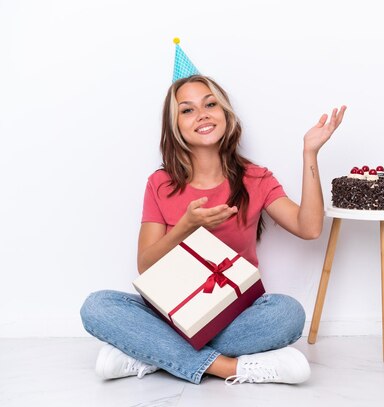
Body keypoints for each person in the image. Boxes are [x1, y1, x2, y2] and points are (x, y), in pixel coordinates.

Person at [79, 73, 347, 385]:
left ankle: (148, 354)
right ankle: (230, 368)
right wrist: (186, 226)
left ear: (225, 114)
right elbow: (145, 265)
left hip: (234, 315)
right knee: (98, 306)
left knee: (287, 314)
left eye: (210, 104)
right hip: (172, 314)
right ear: (175, 125)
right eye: (187, 110)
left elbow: (310, 227)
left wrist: (309, 153)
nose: (202, 114)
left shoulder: (255, 178)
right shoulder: (160, 183)